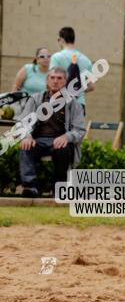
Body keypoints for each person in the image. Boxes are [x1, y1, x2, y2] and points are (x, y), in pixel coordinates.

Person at [18, 67, 86, 197]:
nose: (55, 81)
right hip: (38, 141)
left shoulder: (74, 103)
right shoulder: (35, 99)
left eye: (59, 78)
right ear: (47, 80)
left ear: (65, 81)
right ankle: (31, 187)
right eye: (52, 78)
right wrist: (27, 136)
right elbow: (23, 123)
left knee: (63, 150)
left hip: (60, 142)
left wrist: (67, 137)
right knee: (25, 148)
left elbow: (80, 130)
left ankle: (59, 189)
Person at [50, 26, 94, 113]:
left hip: (61, 103)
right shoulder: (86, 60)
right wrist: (76, 90)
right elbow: (91, 86)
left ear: (61, 40)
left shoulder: (57, 57)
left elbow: (52, 82)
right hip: (79, 104)